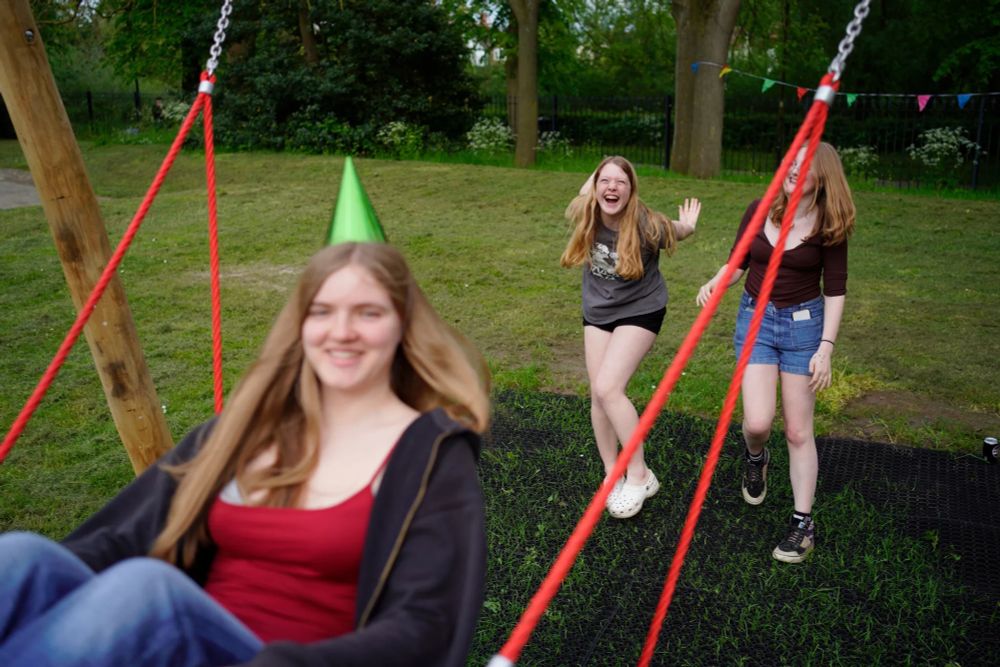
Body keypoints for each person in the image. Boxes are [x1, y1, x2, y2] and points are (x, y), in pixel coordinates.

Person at [0, 242, 491, 666]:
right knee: (21, 556)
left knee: (146, 591)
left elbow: (424, 625)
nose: (341, 331)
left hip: (291, 664)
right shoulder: (244, 433)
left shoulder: (429, 453)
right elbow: (122, 536)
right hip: (176, 644)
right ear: (300, 325)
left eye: (369, 312)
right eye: (322, 311)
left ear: (402, 325)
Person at [696, 142, 855, 563]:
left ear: (820, 179)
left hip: (805, 326)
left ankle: (803, 524)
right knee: (758, 422)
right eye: (791, 163)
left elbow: (836, 291)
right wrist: (715, 283)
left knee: (799, 431)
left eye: (804, 169)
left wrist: (826, 348)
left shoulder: (829, 222)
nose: (793, 172)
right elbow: (737, 262)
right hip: (756, 321)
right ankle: (755, 457)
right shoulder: (759, 208)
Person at [560, 156, 700, 519]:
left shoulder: (647, 224)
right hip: (598, 312)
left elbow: (679, 232)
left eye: (620, 182)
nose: (611, 188)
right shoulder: (586, 211)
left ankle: (640, 475)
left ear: (631, 190)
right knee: (598, 393)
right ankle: (612, 471)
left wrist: (688, 225)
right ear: (595, 187)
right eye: (604, 181)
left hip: (641, 309)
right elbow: (583, 190)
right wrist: (599, 172)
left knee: (609, 388)